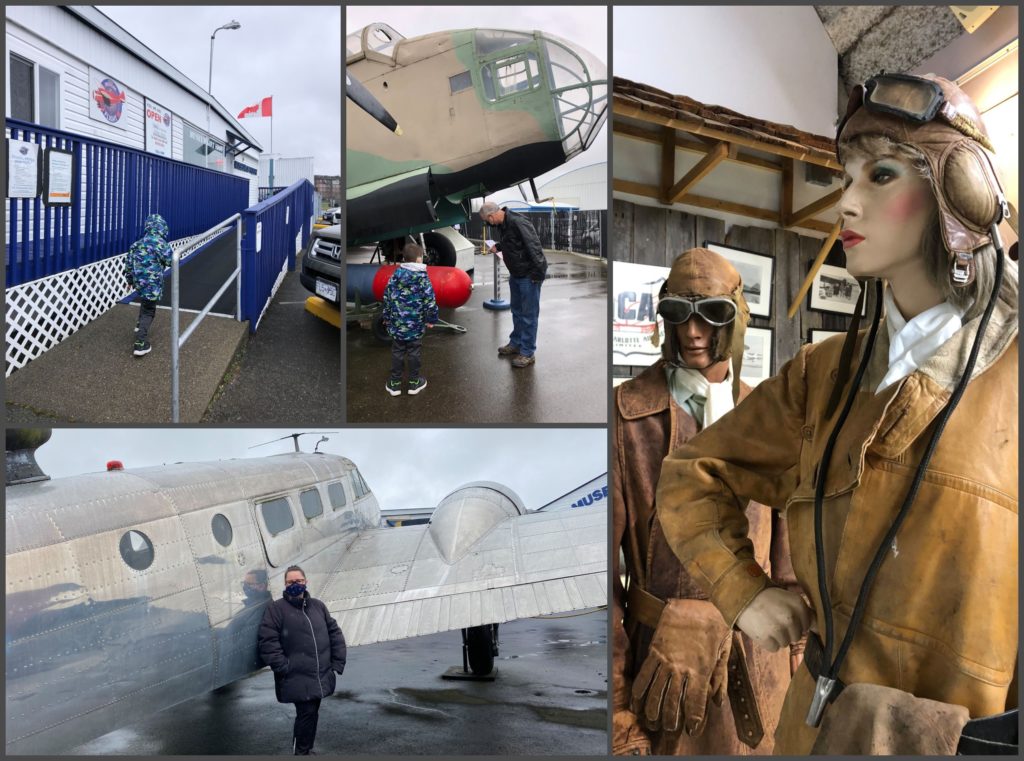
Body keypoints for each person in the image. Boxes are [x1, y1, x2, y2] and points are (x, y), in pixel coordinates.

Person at [656, 73, 1016, 755]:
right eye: (846, 177)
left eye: (880, 175)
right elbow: (691, 474)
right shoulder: (823, 375)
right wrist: (743, 590)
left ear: (961, 188)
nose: (846, 203)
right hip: (817, 731)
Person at [612, 248, 797, 756]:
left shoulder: (767, 416)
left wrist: (797, 672)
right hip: (662, 668)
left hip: (757, 668)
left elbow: (788, 563)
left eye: (712, 314)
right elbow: (601, 583)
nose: (692, 331)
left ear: (736, 318)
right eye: (677, 313)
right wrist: (619, 715)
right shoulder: (627, 419)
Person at [258, 565, 347, 755]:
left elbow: (334, 633)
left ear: (306, 582)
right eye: (290, 582)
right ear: (285, 584)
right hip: (296, 676)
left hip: (320, 674)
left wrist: (337, 663)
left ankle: (306, 749)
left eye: (298, 581)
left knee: (311, 714)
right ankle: (301, 752)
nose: (295, 585)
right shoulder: (277, 609)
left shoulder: (318, 606)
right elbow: (268, 641)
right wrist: (284, 667)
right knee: (306, 715)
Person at [479, 201, 548, 367]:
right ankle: (516, 343)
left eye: (488, 221)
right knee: (517, 311)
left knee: (529, 315)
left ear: (491, 216)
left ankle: (527, 352)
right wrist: (499, 246)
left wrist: (537, 275)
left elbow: (534, 247)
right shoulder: (503, 224)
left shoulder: (518, 222)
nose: (489, 224)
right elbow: (514, 244)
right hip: (516, 275)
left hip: (529, 276)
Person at [381, 243, 437, 396]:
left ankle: (394, 384)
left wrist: (386, 317)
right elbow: (430, 301)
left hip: (397, 325)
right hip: (416, 326)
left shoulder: (395, 276)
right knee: (414, 352)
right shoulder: (422, 278)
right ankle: (414, 382)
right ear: (419, 259)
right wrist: (431, 319)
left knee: (397, 352)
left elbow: (387, 298)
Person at [123, 213, 172, 356]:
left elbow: (128, 264)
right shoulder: (161, 244)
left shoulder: (137, 244)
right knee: (149, 311)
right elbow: (171, 260)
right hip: (153, 284)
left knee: (145, 303)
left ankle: (139, 326)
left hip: (139, 282)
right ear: (162, 227)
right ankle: (140, 343)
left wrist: (130, 280)